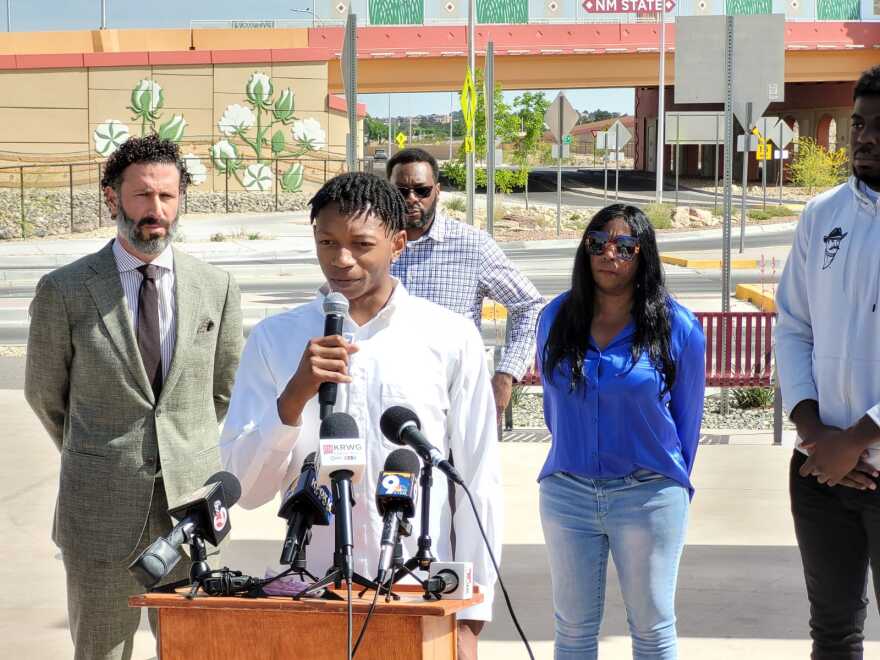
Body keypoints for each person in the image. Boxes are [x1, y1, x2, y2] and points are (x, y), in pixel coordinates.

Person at [220, 172, 502, 660]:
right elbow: (246, 491)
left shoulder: (449, 337)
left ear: (397, 243)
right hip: (311, 594)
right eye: (327, 242)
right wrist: (293, 399)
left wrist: (472, 612)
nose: (340, 259)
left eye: (360, 244)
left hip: (418, 593)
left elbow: (476, 480)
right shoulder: (275, 339)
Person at [24, 135, 243, 660]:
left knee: (195, 650)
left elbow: (222, 389)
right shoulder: (67, 289)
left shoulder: (217, 287)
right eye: (143, 196)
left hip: (191, 511)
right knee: (101, 652)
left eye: (167, 197)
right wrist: (104, 453)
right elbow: (45, 395)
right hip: (99, 512)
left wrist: (179, 450)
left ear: (181, 200)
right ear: (111, 197)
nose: (156, 210)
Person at [536, 204, 706, 660]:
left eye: (624, 246)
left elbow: (688, 425)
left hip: (647, 495)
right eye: (597, 243)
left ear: (643, 255)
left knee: (651, 629)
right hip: (566, 493)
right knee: (571, 631)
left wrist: (668, 488)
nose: (609, 254)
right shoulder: (554, 318)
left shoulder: (679, 327)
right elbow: (556, 409)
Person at [775, 65, 880, 659]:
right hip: (818, 470)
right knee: (834, 636)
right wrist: (815, 433)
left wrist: (860, 437)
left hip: (872, 459)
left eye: (878, 127)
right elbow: (793, 325)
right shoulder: (822, 214)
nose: (863, 137)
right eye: (859, 123)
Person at [386, 148, 543, 421]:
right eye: (401, 191)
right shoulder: (371, 245)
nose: (411, 199)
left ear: (437, 191)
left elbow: (529, 305)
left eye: (421, 191)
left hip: (455, 403)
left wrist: (506, 374)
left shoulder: (472, 246)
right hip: (384, 399)